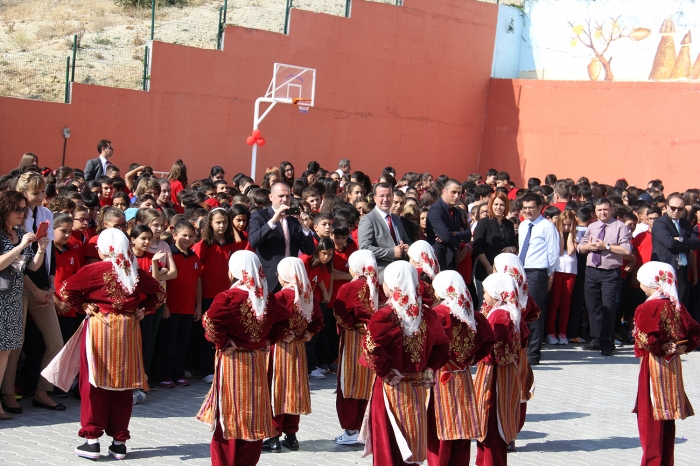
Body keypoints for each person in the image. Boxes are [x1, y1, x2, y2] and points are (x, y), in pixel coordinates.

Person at [56, 229, 165, 460]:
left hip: (101, 326)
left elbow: (65, 290)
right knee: (124, 385)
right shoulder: (133, 270)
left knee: (94, 383)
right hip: (128, 329)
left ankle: (92, 440)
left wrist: (83, 305)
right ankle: (119, 442)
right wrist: (144, 309)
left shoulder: (93, 270)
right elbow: (158, 292)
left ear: (103, 248)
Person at [196, 251, 293, 466]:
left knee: (230, 415)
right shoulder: (267, 298)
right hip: (257, 361)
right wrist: (267, 339)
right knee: (254, 415)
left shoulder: (229, 297)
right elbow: (286, 320)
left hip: (233, 362)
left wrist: (222, 342)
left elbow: (209, 321)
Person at [358, 261, 449, 465]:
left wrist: (386, 372)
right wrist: (429, 369)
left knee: (390, 448)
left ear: (391, 286)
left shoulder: (384, 316)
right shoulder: (428, 314)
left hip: (391, 387)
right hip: (417, 388)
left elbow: (371, 348)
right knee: (411, 441)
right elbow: (443, 347)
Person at [3, 172, 64, 412]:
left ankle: (43, 391)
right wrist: (36, 290)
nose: (41, 196)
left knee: (56, 341)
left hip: (42, 286)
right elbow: (19, 264)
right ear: (23, 192)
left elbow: (48, 254)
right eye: (35, 192)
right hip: (20, 286)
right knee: (15, 344)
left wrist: (50, 286)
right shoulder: (15, 217)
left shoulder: (46, 214)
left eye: (42, 192)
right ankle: (8, 394)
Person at [633, 261, 700, 466]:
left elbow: (645, 340)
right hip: (673, 366)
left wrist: (661, 347)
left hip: (653, 366)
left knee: (650, 419)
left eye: (641, 281)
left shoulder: (646, 308)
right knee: (667, 418)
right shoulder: (675, 305)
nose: (640, 284)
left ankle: (652, 462)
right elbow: (695, 332)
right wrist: (682, 347)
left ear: (652, 283)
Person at [427, 270, 495, 466]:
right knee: (462, 427)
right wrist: (471, 358)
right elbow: (488, 340)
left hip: (441, 377)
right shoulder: (472, 315)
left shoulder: (438, 314)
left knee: (440, 430)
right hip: (462, 376)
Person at [264, 257, 324, 452]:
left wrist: (282, 333)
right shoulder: (309, 296)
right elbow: (318, 321)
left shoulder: (280, 297)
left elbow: (268, 323)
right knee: (294, 390)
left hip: (280, 349)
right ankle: (291, 436)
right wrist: (307, 334)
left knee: (277, 389)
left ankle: (273, 436)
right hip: (298, 350)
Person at [0, 191, 49, 420]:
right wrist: (20, 246)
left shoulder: (20, 233)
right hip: (1, 299)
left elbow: (32, 268)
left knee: (6, 352)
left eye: (23, 209)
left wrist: (40, 249)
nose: (21, 213)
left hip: (13, 299)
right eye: (16, 209)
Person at [475, 273, 529, 466]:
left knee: (491, 423)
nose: (483, 296)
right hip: (505, 373)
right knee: (491, 425)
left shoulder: (500, 315)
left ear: (496, 293)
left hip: (495, 376)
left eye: (485, 292)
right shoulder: (508, 311)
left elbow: (494, 350)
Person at [332, 250, 380, 445]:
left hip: (354, 338)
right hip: (374, 339)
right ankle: (368, 429)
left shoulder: (349, 288)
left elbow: (340, 313)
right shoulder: (377, 286)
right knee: (369, 382)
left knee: (350, 382)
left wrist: (351, 324)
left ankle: (352, 429)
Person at [577, 198, 632, 356]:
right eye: (599, 210)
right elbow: (580, 247)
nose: (602, 212)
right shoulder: (592, 226)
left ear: (612, 210)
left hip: (610, 271)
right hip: (592, 270)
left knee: (608, 307)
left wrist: (606, 246)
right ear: (595, 211)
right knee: (593, 306)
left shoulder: (620, 227)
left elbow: (626, 250)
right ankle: (596, 339)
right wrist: (587, 246)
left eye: (605, 209)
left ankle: (608, 342)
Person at [248, 182, 315, 291]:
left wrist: (305, 228)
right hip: (268, 277)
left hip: (290, 277)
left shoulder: (295, 219)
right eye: (281, 196)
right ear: (271, 197)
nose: (284, 199)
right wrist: (273, 221)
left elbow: (309, 250)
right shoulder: (260, 215)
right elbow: (253, 241)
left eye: (287, 196)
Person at [518, 193, 560, 365]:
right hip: (522, 271)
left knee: (534, 312)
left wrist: (548, 273)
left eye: (531, 208)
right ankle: (523, 349)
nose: (528, 211)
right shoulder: (523, 225)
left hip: (538, 272)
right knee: (522, 311)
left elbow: (553, 253)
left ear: (540, 208)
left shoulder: (547, 226)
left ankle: (533, 353)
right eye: (525, 208)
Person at [357, 182, 412, 283]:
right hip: (382, 276)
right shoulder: (368, 220)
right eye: (382, 196)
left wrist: (407, 248)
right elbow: (364, 248)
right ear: (375, 198)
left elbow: (407, 241)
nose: (385, 199)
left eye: (388, 196)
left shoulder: (396, 219)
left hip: (401, 273)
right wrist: (391, 252)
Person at [651, 194, 700, 305]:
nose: (676, 211)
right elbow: (671, 243)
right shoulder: (660, 223)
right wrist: (687, 246)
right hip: (665, 268)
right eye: (673, 208)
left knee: (680, 303)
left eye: (680, 209)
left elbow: (696, 243)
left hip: (682, 268)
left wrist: (682, 239)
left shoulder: (686, 224)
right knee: (666, 303)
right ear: (667, 207)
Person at [546, 209, 578, 345]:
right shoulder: (555, 233)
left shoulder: (576, 234)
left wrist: (571, 233)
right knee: (554, 303)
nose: (566, 227)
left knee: (566, 303)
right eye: (564, 224)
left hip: (571, 271)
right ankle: (550, 332)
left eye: (569, 224)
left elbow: (570, 251)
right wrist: (560, 232)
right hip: (557, 270)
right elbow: (559, 251)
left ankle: (562, 332)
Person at [426, 179, 471, 271]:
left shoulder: (456, 211)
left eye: (459, 193)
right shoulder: (435, 210)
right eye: (453, 192)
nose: (456, 196)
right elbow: (446, 235)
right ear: (444, 192)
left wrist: (456, 234)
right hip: (440, 257)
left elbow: (468, 235)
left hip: (453, 257)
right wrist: (457, 242)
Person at [472, 191, 517, 282]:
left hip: (505, 270)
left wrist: (511, 249)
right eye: (496, 204)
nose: (498, 207)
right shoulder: (483, 222)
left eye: (502, 205)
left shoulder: (509, 224)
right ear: (491, 205)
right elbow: (477, 247)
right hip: (485, 270)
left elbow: (515, 244)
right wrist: (488, 266)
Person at [407, 240, 441, 307]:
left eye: (410, 258)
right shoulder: (434, 269)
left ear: (416, 259)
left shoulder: (416, 273)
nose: (409, 261)